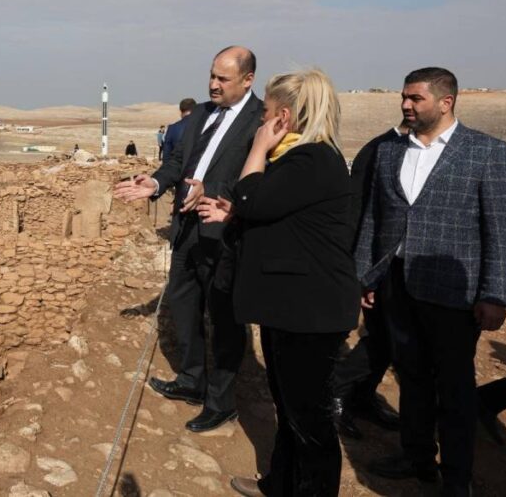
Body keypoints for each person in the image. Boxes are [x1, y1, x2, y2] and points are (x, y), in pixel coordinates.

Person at [199, 68, 359, 497]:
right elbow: (270, 215)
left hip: (309, 311)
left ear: (283, 118)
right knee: (291, 410)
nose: (260, 122)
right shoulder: (296, 161)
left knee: (309, 420)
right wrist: (234, 214)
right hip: (292, 307)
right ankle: (281, 484)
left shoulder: (311, 159)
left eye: (265, 114)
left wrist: (256, 149)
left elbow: (253, 198)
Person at [356, 67, 506, 496]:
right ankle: (416, 456)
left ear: (446, 102)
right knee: (412, 377)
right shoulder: (389, 150)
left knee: (455, 389)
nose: (406, 105)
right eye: (403, 98)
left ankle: (456, 478)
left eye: (415, 99)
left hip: (453, 294)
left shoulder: (487, 152)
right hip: (396, 286)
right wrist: (366, 275)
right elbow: (375, 218)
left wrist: (496, 293)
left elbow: (501, 230)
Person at [114, 46, 262, 433]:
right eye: (212, 76)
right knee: (182, 302)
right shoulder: (200, 112)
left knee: (226, 320)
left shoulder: (260, 120)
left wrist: (212, 190)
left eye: (223, 79)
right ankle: (192, 381)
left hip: (224, 232)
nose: (213, 85)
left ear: (248, 80)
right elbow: (179, 161)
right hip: (187, 230)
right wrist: (157, 181)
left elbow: (254, 179)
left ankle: (222, 401)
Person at [331, 122, 408, 439]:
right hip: (374, 265)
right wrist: (358, 270)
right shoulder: (379, 149)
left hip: (401, 267)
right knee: (382, 339)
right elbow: (357, 211)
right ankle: (336, 395)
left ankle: (361, 398)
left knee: (389, 340)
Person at [162, 98, 197, 163]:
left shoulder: (172, 128)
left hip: (178, 170)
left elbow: (166, 156)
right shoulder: (204, 126)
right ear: (196, 110)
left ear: (180, 111)